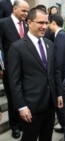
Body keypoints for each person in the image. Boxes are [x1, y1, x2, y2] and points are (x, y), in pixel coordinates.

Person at [7, 7, 62, 141]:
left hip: (50, 103)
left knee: (47, 137)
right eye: (40, 23)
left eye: (46, 23)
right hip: (31, 107)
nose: (44, 26)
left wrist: (59, 93)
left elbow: (55, 71)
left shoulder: (50, 44)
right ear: (29, 22)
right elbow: (14, 81)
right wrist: (21, 106)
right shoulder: (17, 47)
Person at [0, 0, 29, 138]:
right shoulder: (3, 23)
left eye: (28, 11)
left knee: (22, 95)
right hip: (9, 69)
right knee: (12, 98)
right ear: (14, 8)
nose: (26, 14)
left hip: (26, 69)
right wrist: (1, 66)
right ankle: (15, 126)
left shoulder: (27, 25)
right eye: (23, 10)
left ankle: (22, 122)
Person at [48, 14, 65, 133]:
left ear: (53, 23)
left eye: (48, 23)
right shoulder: (63, 36)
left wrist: (59, 91)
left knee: (62, 109)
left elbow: (58, 64)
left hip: (64, 79)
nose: (47, 26)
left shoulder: (60, 37)